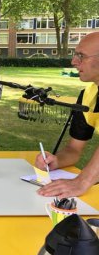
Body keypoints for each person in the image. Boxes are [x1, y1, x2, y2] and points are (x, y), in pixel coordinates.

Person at [35, 31, 99, 199]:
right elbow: (74, 149)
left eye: (81, 56)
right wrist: (57, 160)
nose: (73, 61)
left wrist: (83, 181)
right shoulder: (87, 95)